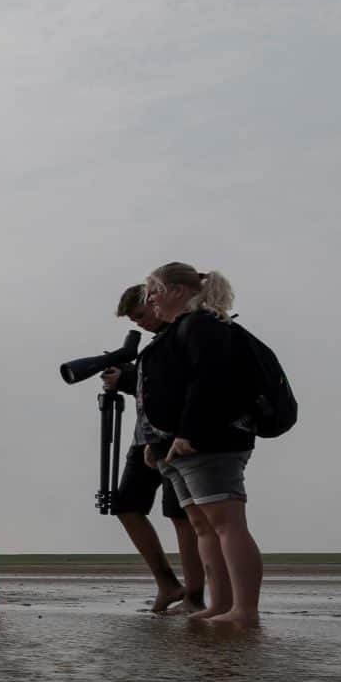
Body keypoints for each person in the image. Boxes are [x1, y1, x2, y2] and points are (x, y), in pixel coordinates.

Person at [138, 263, 261, 627]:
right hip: (175, 446)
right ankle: (221, 604)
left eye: (154, 291)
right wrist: (155, 440)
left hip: (208, 442)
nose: (151, 300)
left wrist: (188, 432)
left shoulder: (202, 326)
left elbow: (209, 383)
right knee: (203, 526)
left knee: (227, 523)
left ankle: (245, 609)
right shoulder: (177, 330)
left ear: (177, 290)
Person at [105, 285, 207, 614]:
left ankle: (195, 595)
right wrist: (126, 380)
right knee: (126, 505)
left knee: (181, 515)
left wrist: (127, 378)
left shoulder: (183, 333)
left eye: (140, 316)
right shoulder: (154, 344)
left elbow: (178, 382)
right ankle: (167, 583)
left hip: (173, 437)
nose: (140, 323)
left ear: (155, 301)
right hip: (145, 438)